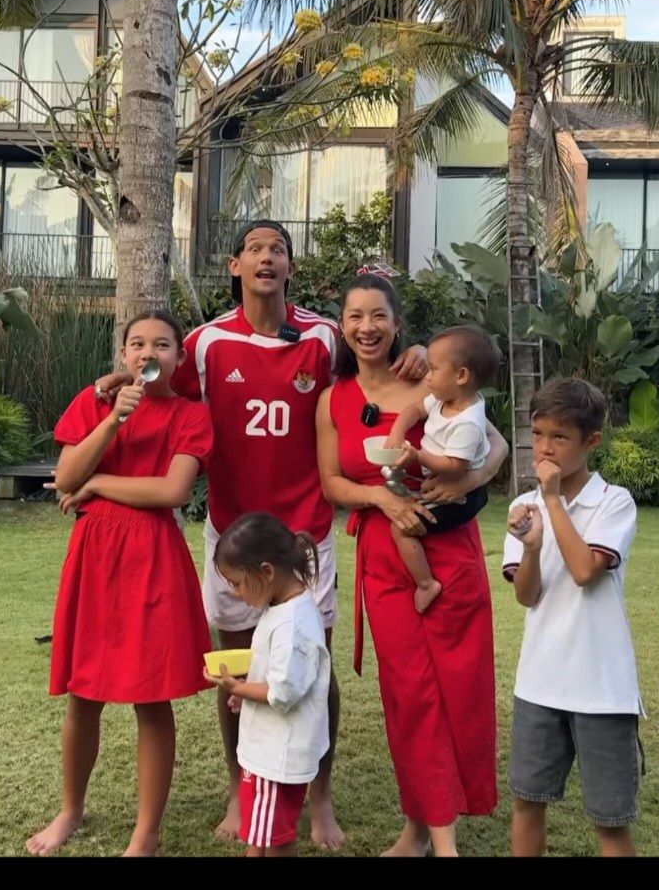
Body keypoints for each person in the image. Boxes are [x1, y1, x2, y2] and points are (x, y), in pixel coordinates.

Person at [90, 223, 501, 847]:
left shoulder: (323, 337)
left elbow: (382, 359)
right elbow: (159, 388)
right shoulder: (204, 343)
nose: (266, 257)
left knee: (316, 668)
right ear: (235, 264)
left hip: (305, 534)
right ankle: (239, 788)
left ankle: (321, 796)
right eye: (255, 248)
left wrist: (416, 353)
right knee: (234, 661)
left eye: (277, 249)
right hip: (232, 532)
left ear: (289, 266)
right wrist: (113, 384)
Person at [316, 273, 502, 856]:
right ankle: (425, 830)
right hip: (385, 555)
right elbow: (332, 483)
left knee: (457, 689)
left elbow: (494, 446)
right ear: (341, 328)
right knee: (409, 694)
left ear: (398, 325)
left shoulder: (430, 379)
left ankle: (429, 828)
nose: (366, 328)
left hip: (448, 553)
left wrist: (468, 479)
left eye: (378, 316)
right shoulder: (332, 398)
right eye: (355, 317)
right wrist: (380, 498)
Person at [27, 310, 214, 857]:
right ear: (124, 354)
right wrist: (112, 421)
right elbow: (64, 477)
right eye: (136, 343)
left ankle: (146, 833)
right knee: (83, 694)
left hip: (154, 555)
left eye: (161, 344)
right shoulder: (96, 404)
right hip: (93, 558)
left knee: (152, 698)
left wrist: (97, 485)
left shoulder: (191, 415)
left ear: (178, 359)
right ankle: (70, 810)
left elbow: (171, 492)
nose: (147, 352)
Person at [503, 379, 644, 857]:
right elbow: (527, 596)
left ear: (591, 442)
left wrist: (553, 501)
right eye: (539, 433)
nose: (545, 447)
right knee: (526, 802)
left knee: (610, 821)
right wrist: (533, 546)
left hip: (603, 690)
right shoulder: (521, 508)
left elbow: (585, 571)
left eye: (560, 437)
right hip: (538, 683)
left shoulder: (614, 502)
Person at [204, 513, 332, 857]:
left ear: (266, 571)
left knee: (273, 843)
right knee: (262, 836)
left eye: (237, 583)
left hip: (278, 756)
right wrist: (247, 694)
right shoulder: (284, 606)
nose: (234, 592)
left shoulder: (293, 625)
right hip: (274, 751)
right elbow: (280, 677)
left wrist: (236, 687)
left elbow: (282, 692)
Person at [380, 324, 501, 613]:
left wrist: (417, 456)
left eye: (434, 370)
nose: (428, 376)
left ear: (461, 376)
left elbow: (455, 468)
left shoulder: (468, 423)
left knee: (401, 530)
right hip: (440, 477)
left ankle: (426, 584)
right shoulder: (446, 398)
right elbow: (413, 410)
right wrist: (397, 432)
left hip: (462, 495)